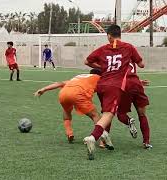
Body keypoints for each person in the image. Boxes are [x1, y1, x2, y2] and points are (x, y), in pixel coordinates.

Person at [83, 24, 145, 160]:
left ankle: (105, 139)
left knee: (106, 113)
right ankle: (93, 137)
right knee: (109, 115)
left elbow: (86, 61)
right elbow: (141, 64)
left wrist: (102, 66)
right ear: (119, 35)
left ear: (109, 36)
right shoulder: (128, 47)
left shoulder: (103, 49)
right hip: (114, 86)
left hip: (101, 85)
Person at [34, 69, 111, 145]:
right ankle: (102, 141)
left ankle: (69, 133)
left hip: (63, 93)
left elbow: (60, 83)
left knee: (66, 111)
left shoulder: (80, 77)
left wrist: (43, 89)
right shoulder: (99, 78)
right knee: (95, 115)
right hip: (78, 94)